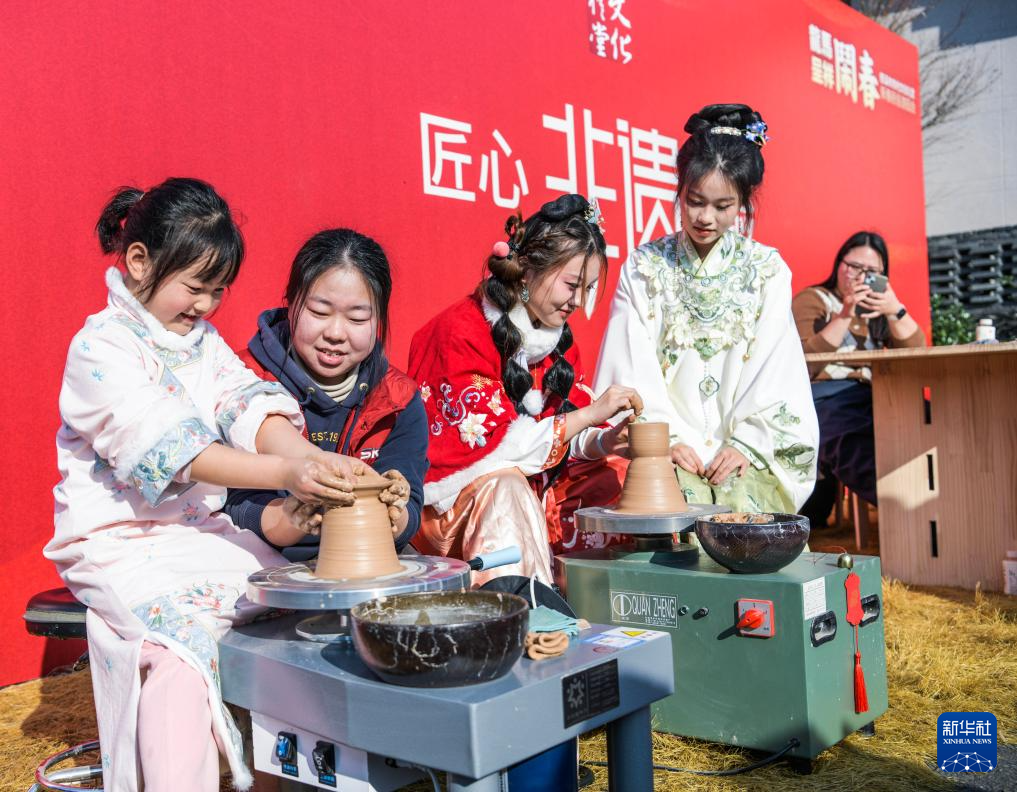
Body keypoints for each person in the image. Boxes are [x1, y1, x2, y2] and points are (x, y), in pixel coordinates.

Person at [45, 179, 356, 792]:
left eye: (218, 290)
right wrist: (287, 474)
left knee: (293, 613)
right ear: (140, 262)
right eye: (196, 286)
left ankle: (283, 779)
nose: (208, 305)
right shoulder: (99, 349)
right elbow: (181, 452)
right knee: (183, 654)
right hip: (116, 544)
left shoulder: (202, 344)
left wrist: (315, 462)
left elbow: (248, 408)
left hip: (197, 533)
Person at [594, 104, 818, 514]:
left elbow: (776, 372)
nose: (705, 218)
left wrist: (747, 444)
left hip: (743, 449)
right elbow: (630, 367)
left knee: (745, 524)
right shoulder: (644, 268)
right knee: (665, 508)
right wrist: (665, 441)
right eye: (695, 201)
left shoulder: (767, 271)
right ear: (680, 190)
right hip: (665, 450)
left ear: (743, 202)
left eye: (723, 206)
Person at [408, 194, 642, 584]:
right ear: (529, 269)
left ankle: (603, 603)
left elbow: (559, 431)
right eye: (572, 285)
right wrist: (588, 415)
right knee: (506, 487)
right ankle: (520, 608)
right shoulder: (459, 331)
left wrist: (606, 441)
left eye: (588, 289)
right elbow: (499, 448)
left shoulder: (557, 338)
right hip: (455, 506)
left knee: (617, 476)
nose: (579, 302)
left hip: (529, 485)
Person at [223, 229, 427, 559]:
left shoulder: (398, 400)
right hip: (254, 559)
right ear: (290, 302)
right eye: (319, 312)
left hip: (369, 558)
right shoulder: (237, 380)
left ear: (379, 319)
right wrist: (293, 518)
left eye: (357, 318)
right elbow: (229, 504)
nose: (334, 333)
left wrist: (393, 511)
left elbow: (410, 509)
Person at [792, 230, 925, 523]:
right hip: (827, 395)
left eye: (871, 272)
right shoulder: (814, 299)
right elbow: (802, 363)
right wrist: (845, 313)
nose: (861, 276)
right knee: (852, 438)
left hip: (875, 394)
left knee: (927, 417)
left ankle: (942, 495)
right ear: (839, 264)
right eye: (854, 267)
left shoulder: (879, 310)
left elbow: (917, 353)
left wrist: (895, 310)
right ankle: (908, 509)